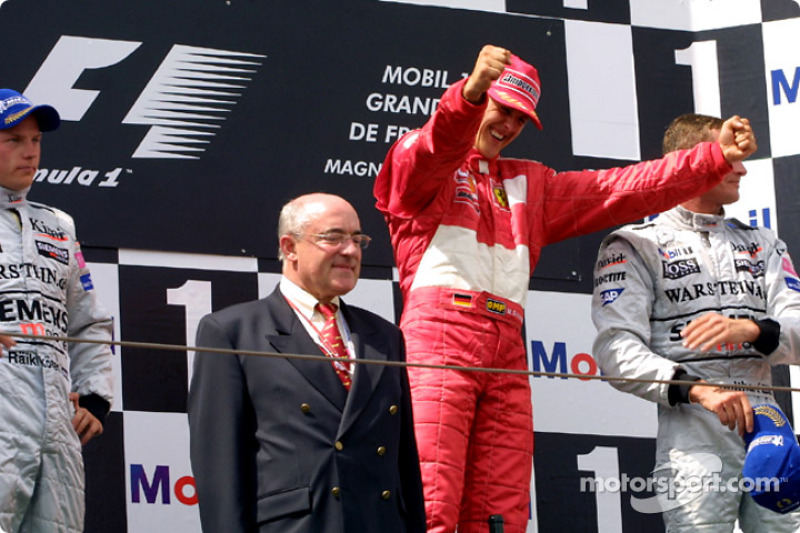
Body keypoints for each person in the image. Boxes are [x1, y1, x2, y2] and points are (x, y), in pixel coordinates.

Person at [373, 45, 757, 533]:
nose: (509, 126)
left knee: (500, 511)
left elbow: (620, 189)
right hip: (440, 336)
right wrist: (466, 97)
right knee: (432, 496)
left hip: (507, 345)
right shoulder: (419, 162)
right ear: (477, 96)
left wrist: (712, 157)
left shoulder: (530, 184)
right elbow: (434, 147)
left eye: (520, 119)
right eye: (501, 110)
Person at [591, 113, 800, 531]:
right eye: (729, 156)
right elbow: (615, 349)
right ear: (695, 160)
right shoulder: (634, 244)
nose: (741, 167)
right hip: (691, 431)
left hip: (769, 428)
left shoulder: (763, 243)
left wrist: (754, 330)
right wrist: (697, 389)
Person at [188, 193, 426, 533]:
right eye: (333, 238)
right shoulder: (232, 332)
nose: (350, 251)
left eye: (358, 240)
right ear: (290, 247)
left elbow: (404, 462)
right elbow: (218, 467)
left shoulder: (385, 336)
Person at [0, 88, 114, 532]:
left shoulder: (58, 224)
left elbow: (89, 320)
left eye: (36, 141)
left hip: (55, 422)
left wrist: (94, 398)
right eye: (14, 140)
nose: (30, 152)